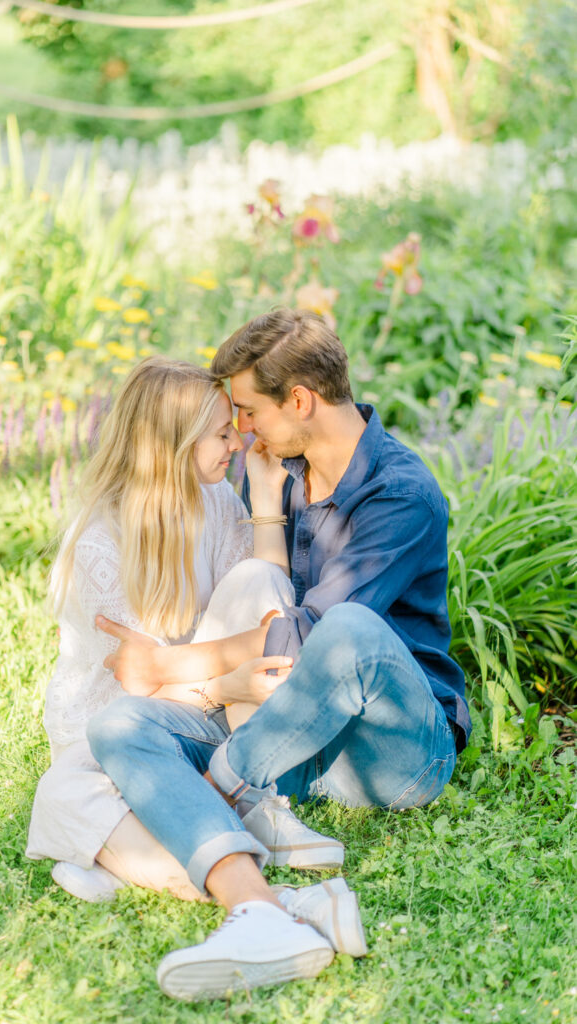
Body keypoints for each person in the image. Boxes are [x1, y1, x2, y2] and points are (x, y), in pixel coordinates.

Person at [87, 308, 471, 1001]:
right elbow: (262, 603)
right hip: (290, 732)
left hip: (394, 753)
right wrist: (265, 501)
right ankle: (265, 912)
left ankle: (224, 787)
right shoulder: (280, 473)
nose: (240, 430)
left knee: (348, 629)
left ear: (299, 401)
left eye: (247, 411)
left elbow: (311, 634)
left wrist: (171, 667)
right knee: (119, 725)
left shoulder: (401, 495)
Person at [26, 356, 349, 907]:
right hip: (120, 728)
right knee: (62, 791)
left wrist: (264, 497)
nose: (238, 444)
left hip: (206, 712)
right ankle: (228, 860)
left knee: (256, 575)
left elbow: (265, 605)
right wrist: (227, 686)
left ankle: (196, 825)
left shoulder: (216, 499)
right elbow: (135, 695)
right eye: (222, 434)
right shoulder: (100, 544)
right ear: (172, 446)